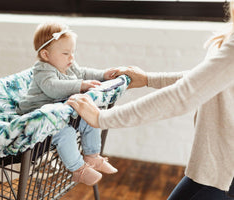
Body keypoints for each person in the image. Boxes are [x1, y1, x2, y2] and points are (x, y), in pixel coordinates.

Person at [67, 1, 234, 199]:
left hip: (224, 172)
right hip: (215, 167)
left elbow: (185, 95)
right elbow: (204, 80)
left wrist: (101, 118)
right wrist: (147, 79)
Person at [16, 22, 119, 186]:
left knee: (90, 118)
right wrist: (81, 85)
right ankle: (78, 170)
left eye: (73, 52)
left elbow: (83, 72)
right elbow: (52, 89)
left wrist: (103, 75)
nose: (71, 57)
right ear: (45, 54)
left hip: (61, 113)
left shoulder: (68, 65)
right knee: (65, 132)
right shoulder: (43, 70)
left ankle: (92, 156)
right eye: (65, 53)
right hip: (40, 118)